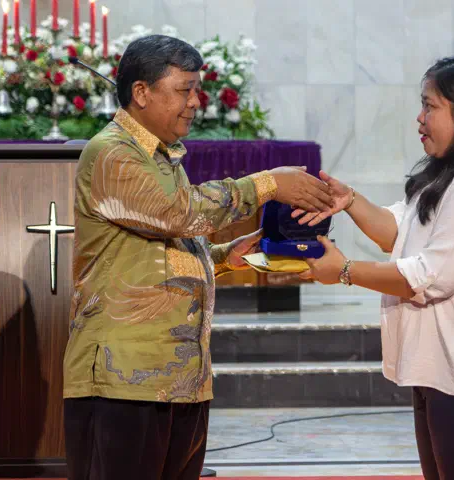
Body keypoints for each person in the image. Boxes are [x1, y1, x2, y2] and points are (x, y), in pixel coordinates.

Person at [62, 34, 332, 480]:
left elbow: (162, 242)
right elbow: (178, 214)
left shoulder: (162, 157)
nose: (194, 102)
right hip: (124, 377)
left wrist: (225, 256)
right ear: (141, 92)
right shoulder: (111, 152)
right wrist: (267, 184)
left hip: (182, 380)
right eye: (184, 89)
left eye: (196, 90)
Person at [299, 55, 454, 479]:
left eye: (430, 106)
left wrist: (345, 271)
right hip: (442, 367)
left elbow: (428, 277)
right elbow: (402, 232)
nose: (419, 119)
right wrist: (349, 201)